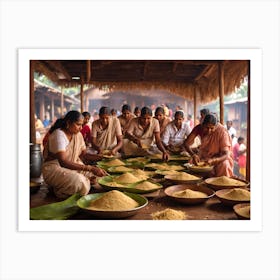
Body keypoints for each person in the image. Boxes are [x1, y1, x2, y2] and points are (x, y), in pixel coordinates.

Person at [42, 110, 107, 199]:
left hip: (72, 165)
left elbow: (83, 154)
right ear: (68, 123)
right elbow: (63, 162)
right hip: (54, 168)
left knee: (100, 178)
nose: (81, 128)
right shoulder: (58, 135)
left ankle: (79, 183)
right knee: (80, 183)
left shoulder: (77, 135)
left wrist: (101, 157)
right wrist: (90, 168)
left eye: (82, 124)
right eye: (78, 124)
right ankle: (59, 190)